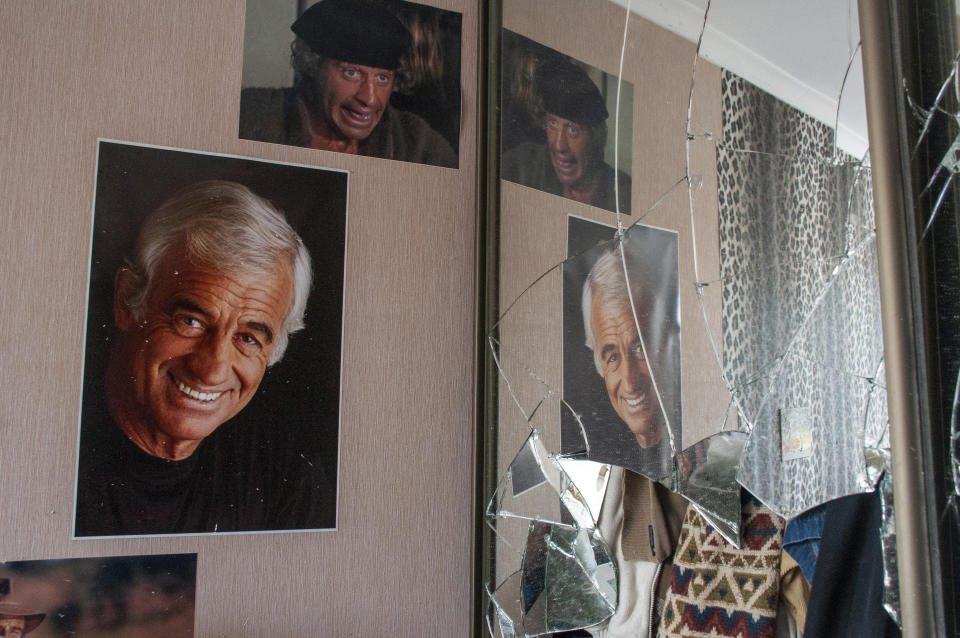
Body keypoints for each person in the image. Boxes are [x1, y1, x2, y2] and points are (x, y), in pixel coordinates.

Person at [75, 181, 335, 536]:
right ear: (126, 301)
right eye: (191, 321)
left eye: (247, 338)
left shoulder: (287, 477)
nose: (212, 370)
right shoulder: (48, 452)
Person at [239, 0, 457, 168]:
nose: (369, 99)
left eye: (382, 78)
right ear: (312, 65)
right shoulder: (252, 115)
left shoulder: (417, 143)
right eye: (351, 73)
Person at [581, 245, 671, 478]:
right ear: (599, 366)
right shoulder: (597, 467)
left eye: (640, 347)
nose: (629, 382)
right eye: (612, 357)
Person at [502, 57, 631, 214]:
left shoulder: (623, 192)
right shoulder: (524, 164)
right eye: (553, 124)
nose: (559, 146)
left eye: (573, 130)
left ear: (596, 137)